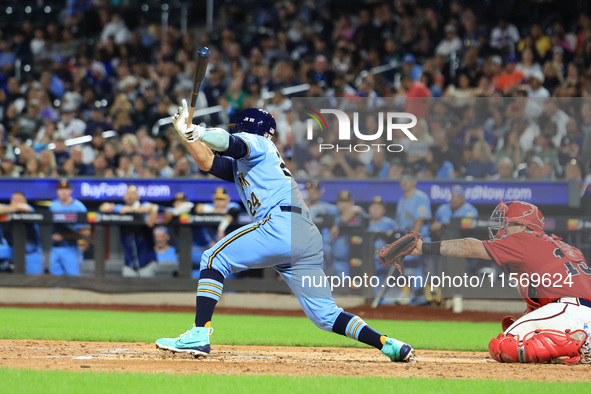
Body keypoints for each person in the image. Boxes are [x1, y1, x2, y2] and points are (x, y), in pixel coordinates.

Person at [155, 101, 413, 362]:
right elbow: (207, 160)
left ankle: (199, 333)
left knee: (213, 258)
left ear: (248, 127)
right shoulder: (248, 162)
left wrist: (198, 131)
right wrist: (184, 133)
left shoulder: (259, 144)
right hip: (306, 236)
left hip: (280, 225)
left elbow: (228, 142)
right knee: (326, 315)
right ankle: (387, 344)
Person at [410, 201, 591, 364]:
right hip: (577, 310)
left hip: (569, 308)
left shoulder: (524, 239)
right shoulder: (564, 246)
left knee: (505, 345)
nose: (502, 229)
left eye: (507, 224)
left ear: (523, 226)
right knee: (522, 335)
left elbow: (469, 246)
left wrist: (422, 247)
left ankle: (580, 344)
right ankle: (580, 339)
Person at [99, 185, 159, 277]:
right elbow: (103, 207)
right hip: (129, 264)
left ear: (138, 196)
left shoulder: (144, 205)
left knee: (146, 290)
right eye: (128, 193)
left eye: (133, 193)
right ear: (124, 196)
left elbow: (152, 207)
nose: (130, 196)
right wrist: (116, 208)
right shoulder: (121, 208)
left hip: (147, 262)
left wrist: (131, 210)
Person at [395, 170, 432, 305]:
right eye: (402, 179)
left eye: (408, 179)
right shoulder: (401, 200)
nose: (404, 182)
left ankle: (414, 293)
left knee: (413, 264)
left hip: (420, 238)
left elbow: (420, 221)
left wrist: (412, 240)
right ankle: (415, 295)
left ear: (414, 182)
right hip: (406, 239)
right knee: (410, 267)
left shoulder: (420, 197)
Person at [49, 180, 89, 276]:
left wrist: (65, 236)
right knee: (55, 281)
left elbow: (86, 231)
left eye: (66, 189)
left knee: (74, 280)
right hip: (55, 248)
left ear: (71, 191)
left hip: (72, 247)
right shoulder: (53, 206)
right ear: (57, 191)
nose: (63, 192)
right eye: (60, 189)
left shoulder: (79, 207)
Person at [0, 192, 44, 274]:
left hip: (31, 252)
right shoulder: (7, 210)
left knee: (34, 282)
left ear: (25, 201)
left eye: (20, 200)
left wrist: (12, 207)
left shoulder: (29, 209)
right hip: (12, 251)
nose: (17, 202)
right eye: (14, 200)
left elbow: (25, 208)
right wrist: (11, 208)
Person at [329, 190, 365, 277]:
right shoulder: (333, 213)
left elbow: (356, 209)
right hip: (334, 263)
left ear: (352, 202)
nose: (343, 204)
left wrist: (337, 225)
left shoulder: (358, 214)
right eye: (341, 201)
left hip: (352, 263)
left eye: (347, 201)